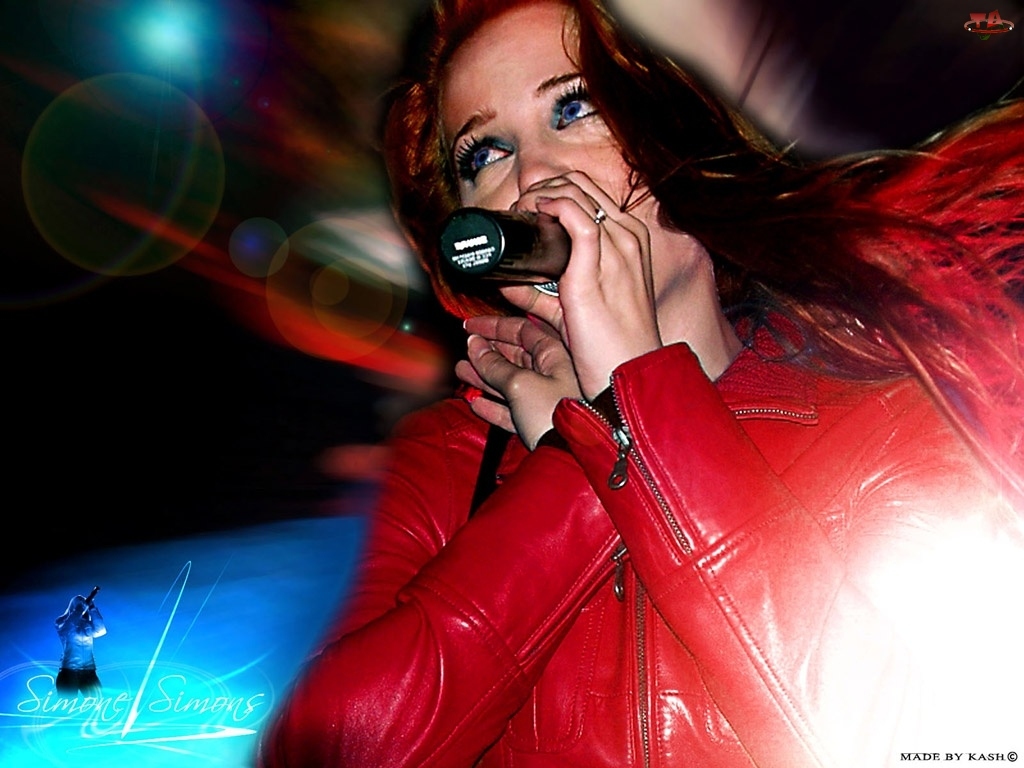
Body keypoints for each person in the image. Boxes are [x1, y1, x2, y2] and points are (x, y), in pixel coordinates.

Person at [257, 1, 1024, 765]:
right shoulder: (451, 461)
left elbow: (903, 736)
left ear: (677, 134)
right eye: (484, 154)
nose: (532, 177)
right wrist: (576, 457)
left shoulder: (888, 412)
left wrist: (630, 405)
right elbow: (332, 751)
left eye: (573, 107)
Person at [55, 590, 106, 697]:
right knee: (67, 703)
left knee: (97, 701)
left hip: (89, 671)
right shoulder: (61, 621)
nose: (84, 606)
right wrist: (79, 609)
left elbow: (101, 630)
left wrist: (92, 609)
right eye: (80, 604)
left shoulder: (87, 624)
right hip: (69, 671)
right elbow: (67, 629)